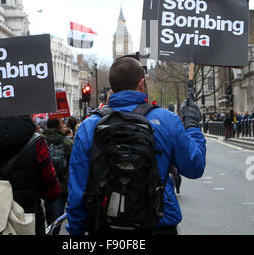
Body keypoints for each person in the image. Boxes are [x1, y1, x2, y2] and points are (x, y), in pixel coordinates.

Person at [66, 56, 206, 235]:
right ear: (141, 83)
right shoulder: (166, 120)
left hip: (105, 227)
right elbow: (195, 166)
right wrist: (192, 124)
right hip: (157, 224)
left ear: (112, 87)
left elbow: (77, 192)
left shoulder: (88, 126)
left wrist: (76, 233)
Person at [43, 117, 73, 234]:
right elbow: (73, 163)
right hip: (62, 184)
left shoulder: (41, 140)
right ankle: (54, 231)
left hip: (45, 183)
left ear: (47, 126)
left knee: (48, 210)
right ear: (58, 126)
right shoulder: (68, 142)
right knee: (58, 213)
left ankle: (49, 227)